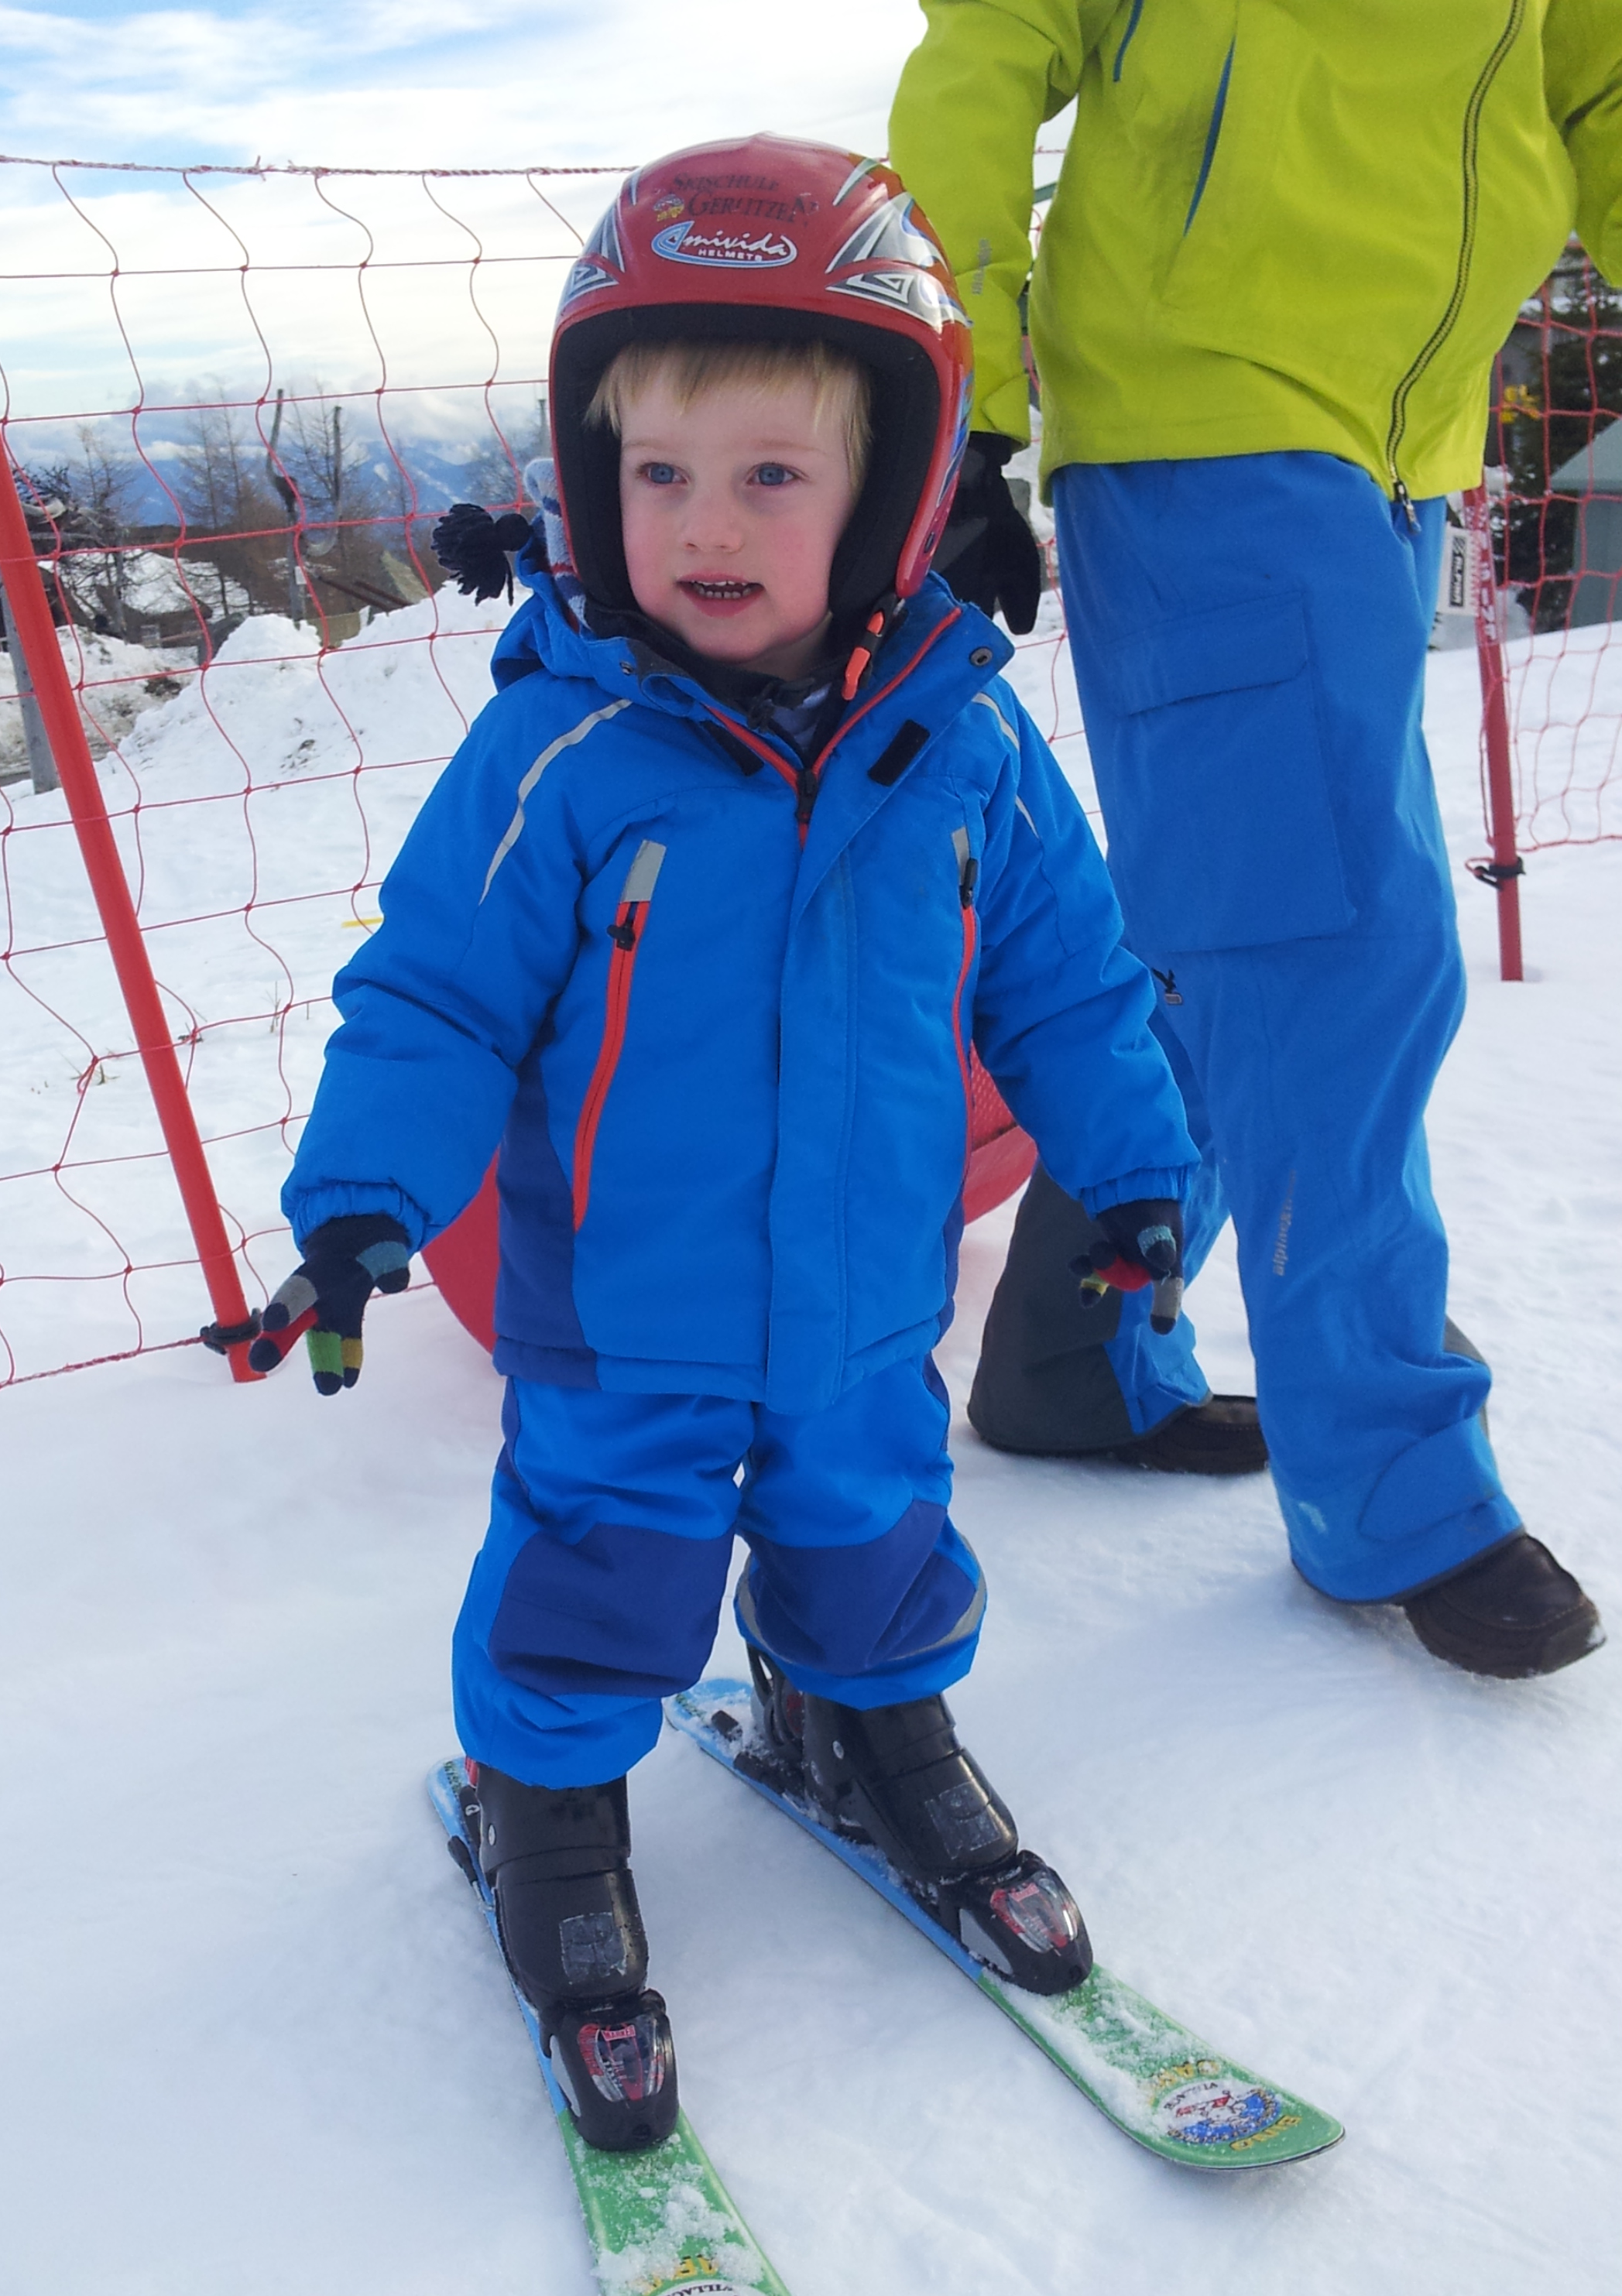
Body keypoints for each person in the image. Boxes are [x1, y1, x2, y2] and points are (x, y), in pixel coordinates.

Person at [254, 138, 1198, 2152]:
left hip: (865, 1303)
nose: (704, 521)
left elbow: (1073, 988)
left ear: (894, 492)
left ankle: (872, 1722)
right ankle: (547, 1810)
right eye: (660, 471)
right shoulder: (563, 749)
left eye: (773, 473)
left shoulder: (964, 742)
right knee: (598, 1572)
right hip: (625, 1320)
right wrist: (359, 1208)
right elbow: (434, 1001)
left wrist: (1136, 1177)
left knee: (876, 1532)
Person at [890, 2, 1617, 1677]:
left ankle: (1074, 1357)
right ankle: (1396, 1487)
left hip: (1403, 445)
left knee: (1233, 932)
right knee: (1339, 962)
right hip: (1208, 419)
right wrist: (958, 391)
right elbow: (991, 45)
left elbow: (1601, 85)